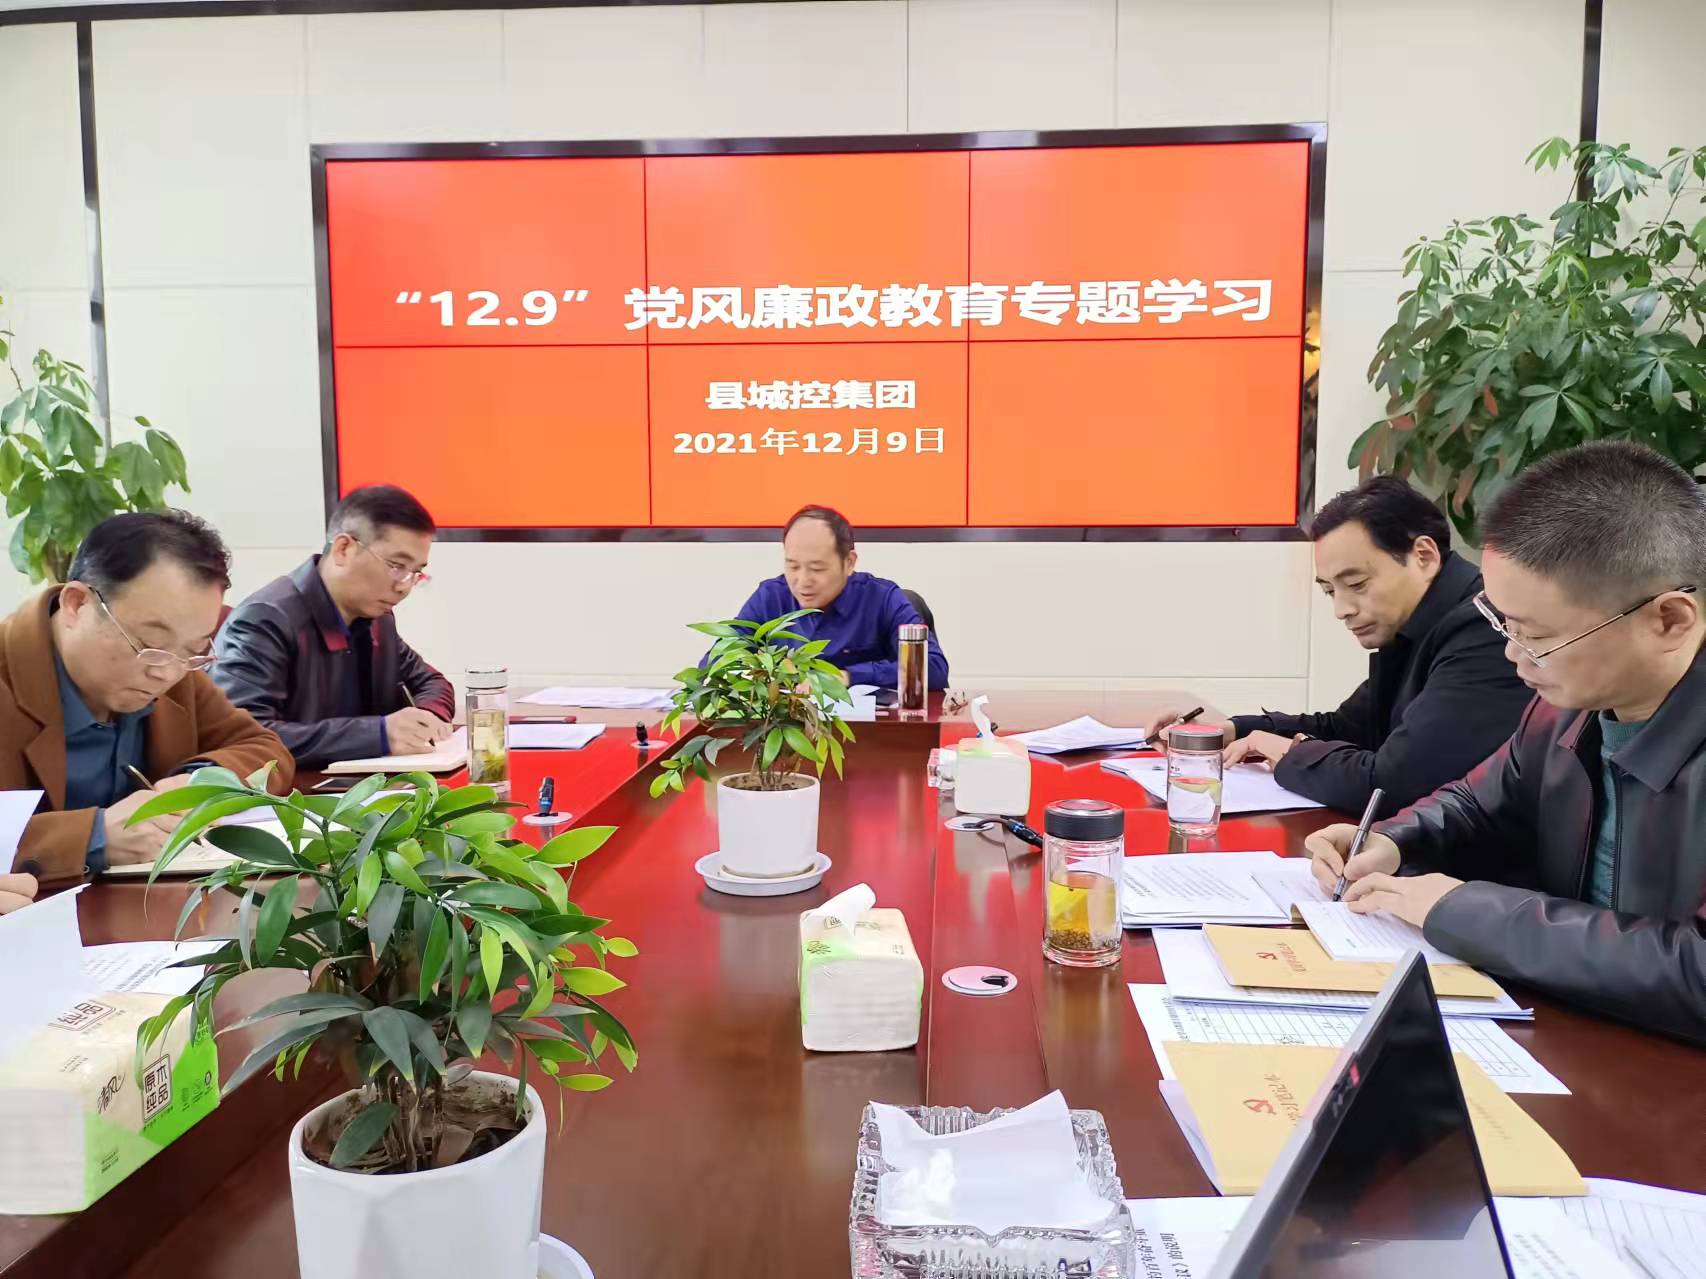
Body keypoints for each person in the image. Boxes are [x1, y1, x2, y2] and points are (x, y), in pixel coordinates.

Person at [1308, 441, 1706, 1045]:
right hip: (1574, 1033)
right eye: (1504, 625)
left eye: (1537, 636)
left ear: (1669, 620)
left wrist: (1465, 911)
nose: (1514, 657)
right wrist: (1389, 839)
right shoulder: (1561, 712)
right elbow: (1476, 801)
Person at [1143, 477, 1530, 817]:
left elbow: (1388, 786)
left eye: (1357, 584)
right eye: (1330, 591)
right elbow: (1348, 728)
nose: (1342, 610)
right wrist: (1231, 730)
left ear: (1423, 557)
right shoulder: (1413, 625)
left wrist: (1285, 751)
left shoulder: (1485, 629)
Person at [0, 511, 293, 885]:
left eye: (193, 651)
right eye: (149, 644)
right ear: (76, 603)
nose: (166, 673)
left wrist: (197, 784)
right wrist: (91, 837)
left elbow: (265, 749)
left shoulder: (174, 668)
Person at [214, 485, 455, 769]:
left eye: (416, 572)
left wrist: (425, 718)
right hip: (293, 790)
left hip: (361, 785)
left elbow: (432, 682)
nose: (404, 587)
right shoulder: (265, 619)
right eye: (396, 565)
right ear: (343, 549)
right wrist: (378, 735)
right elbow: (245, 739)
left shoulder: (377, 619)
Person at [728, 505, 949, 689]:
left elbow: (933, 668)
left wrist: (849, 676)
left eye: (817, 568)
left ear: (849, 562)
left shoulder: (883, 599)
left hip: (869, 726)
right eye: (793, 566)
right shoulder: (770, 597)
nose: (803, 580)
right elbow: (719, 661)